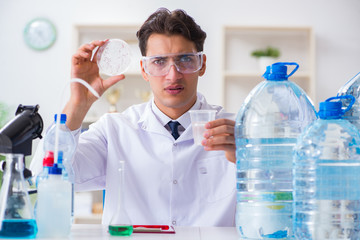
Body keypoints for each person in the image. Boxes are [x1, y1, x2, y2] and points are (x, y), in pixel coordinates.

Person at [32, 8, 236, 226]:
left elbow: (272, 197)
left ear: (201, 64)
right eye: (159, 61)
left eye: (185, 59)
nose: (173, 74)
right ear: (144, 69)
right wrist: (78, 104)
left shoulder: (236, 131)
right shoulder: (115, 130)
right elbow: (41, 178)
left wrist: (244, 158)